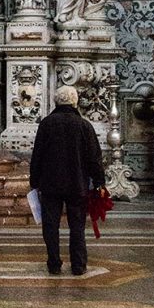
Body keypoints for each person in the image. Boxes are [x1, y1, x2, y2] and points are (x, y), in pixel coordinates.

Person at [29, 85, 106, 276]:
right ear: (75, 101)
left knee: (50, 225)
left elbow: (37, 155)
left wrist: (34, 181)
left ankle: (54, 263)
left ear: (56, 101)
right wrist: (99, 182)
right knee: (77, 225)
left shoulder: (46, 124)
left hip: (50, 184)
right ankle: (78, 265)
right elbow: (94, 157)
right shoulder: (84, 125)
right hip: (77, 183)